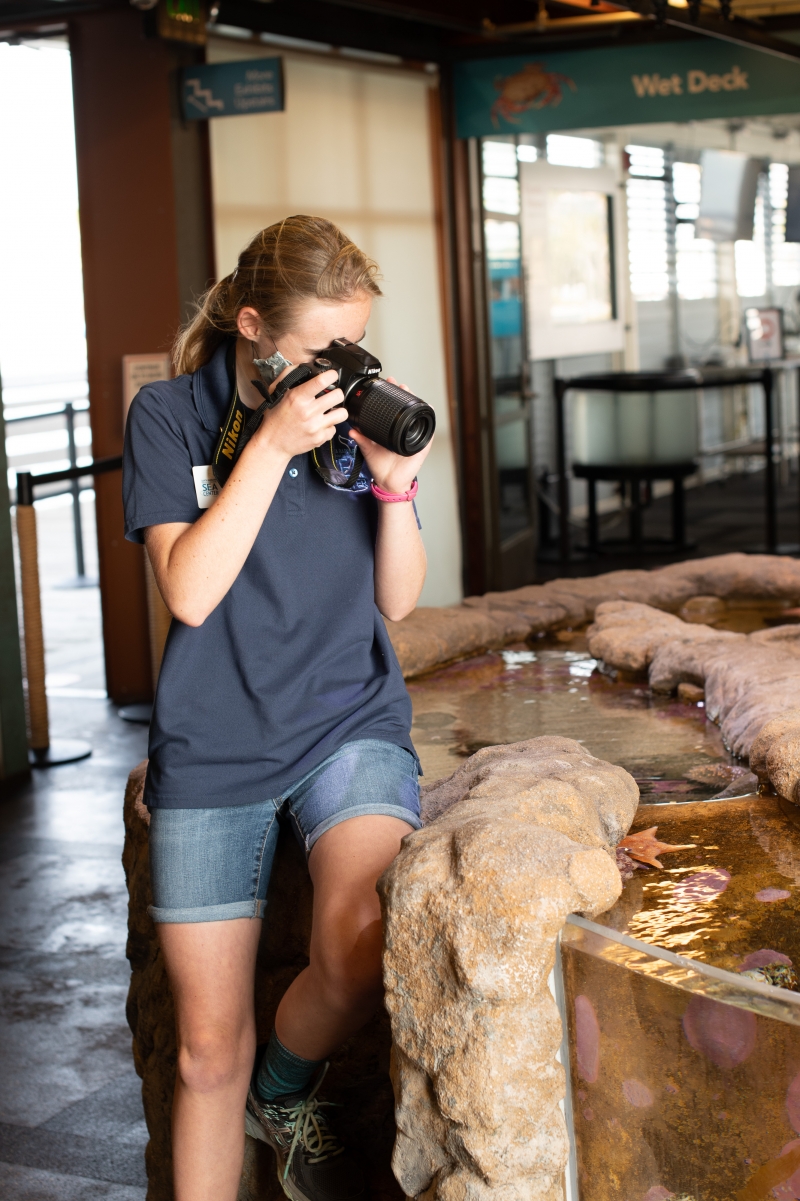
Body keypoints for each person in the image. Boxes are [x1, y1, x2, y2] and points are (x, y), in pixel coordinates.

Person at [122, 215, 431, 1201]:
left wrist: (392, 492)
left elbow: (398, 600)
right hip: (214, 742)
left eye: (352, 349)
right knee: (206, 1051)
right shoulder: (168, 417)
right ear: (252, 327)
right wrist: (267, 446)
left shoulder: (351, 420)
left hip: (349, 716)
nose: (338, 376)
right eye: (316, 353)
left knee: (358, 942)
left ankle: (283, 1089)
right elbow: (189, 592)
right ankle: (242, 1099)